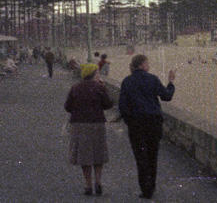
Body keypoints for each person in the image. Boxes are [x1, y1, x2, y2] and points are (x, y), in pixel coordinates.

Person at [118, 54, 176, 200]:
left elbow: (122, 106)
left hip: (136, 125)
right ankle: (151, 186)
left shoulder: (127, 81)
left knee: (141, 157)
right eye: (147, 63)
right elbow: (166, 96)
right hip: (153, 123)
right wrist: (170, 82)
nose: (148, 66)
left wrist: (129, 121)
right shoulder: (152, 79)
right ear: (143, 65)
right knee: (152, 155)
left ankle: (145, 189)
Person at [64, 63, 114, 196]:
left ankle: (88, 185)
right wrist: (104, 88)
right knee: (98, 153)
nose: (99, 75)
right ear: (93, 74)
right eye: (97, 73)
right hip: (96, 124)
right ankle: (98, 183)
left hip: (79, 125)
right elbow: (108, 104)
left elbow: (67, 107)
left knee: (84, 155)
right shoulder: (99, 87)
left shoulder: (75, 88)